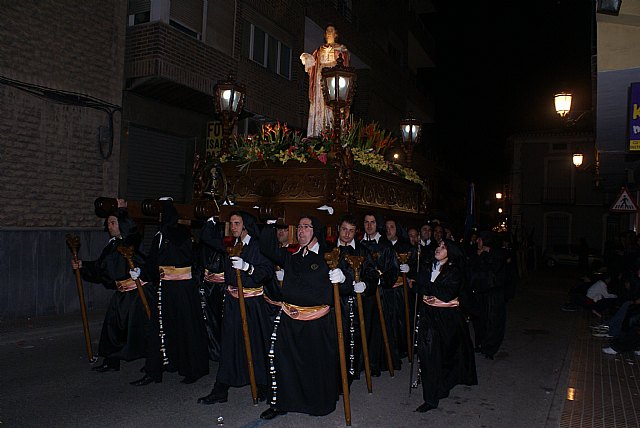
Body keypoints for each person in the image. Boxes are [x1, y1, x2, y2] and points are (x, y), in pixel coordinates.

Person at [257, 216, 351, 420]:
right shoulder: (292, 257)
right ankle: (281, 402)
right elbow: (266, 247)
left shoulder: (329, 256)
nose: (301, 231)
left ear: (315, 231)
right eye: (298, 227)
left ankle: (317, 404)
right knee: (284, 362)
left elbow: (346, 286)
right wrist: (270, 222)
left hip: (317, 321)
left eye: (306, 227)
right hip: (290, 318)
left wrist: (342, 279)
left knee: (314, 364)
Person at [198, 211, 274, 405]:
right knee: (229, 344)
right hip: (232, 302)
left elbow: (267, 271)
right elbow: (206, 238)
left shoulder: (257, 246)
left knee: (256, 344)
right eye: (231, 223)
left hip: (251, 304)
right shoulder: (230, 245)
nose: (233, 227)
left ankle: (262, 385)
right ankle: (221, 388)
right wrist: (212, 218)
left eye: (237, 223)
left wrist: (248, 268)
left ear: (246, 225)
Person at [131, 197, 209, 386]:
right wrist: (142, 272)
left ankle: (193, 368)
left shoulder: (181, 233)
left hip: (183, 289)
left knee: (186, 327)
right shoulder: (159, 236)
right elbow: (153, 261)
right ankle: (154, 369)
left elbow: (191, 256)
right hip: (165, 288)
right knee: (158, 329)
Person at [72, 198, 153, 372]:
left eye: (113, 222)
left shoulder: (130, 242)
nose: (110, 226)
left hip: (137, 294)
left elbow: (132, 231)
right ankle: (111, 360)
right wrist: (83, 265)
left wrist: (122, 210)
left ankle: (152, 363)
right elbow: (101, 267)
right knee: (112, 328)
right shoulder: (111, 246)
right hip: (121, 293)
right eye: (108, 223)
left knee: (141, 330)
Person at [414, 239, 477, 413]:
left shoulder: (454, 271)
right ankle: (430, 399)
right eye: (438, 246)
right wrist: (429, 290)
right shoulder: (427, 265)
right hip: (428, 317)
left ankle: (442, 386)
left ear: (450, 253)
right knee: (428, 355)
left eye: (443, 247)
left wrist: (430, 288)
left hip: (448, 319)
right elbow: (418, 287)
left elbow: (448, 293)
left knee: (445, 357)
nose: (438, 249)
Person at [335, 214, 378, 383]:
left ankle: (350, 373)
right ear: (339, 228)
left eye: (351, 231)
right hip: (334, 302)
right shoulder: (329, 249)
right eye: (344, 229)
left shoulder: (363, 251)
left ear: (356, 233)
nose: (347, 234)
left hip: (355, 302)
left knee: (354, 338)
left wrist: (366, 285)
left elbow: (372, 274)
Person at [360, 212, 401, 373]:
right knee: (365, 327)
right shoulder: (359, 245)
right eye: (366, 222)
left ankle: (378, 364)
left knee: (380, 329)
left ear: (378, 225)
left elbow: (393, 270)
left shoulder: (386, 246)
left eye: (372, 222)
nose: (369, 225)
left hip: (382, 294)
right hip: (364, 294)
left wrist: (380, 280)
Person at [300, 24, 350, 137]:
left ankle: (332, 131)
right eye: (327, 31)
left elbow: (344, 63)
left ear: (336, 34)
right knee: (320, 102)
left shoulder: (341, 49)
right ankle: (318, 132)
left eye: (331, 31)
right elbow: (313, 64)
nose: (329, 33)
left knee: (333, 104)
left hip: (333, 79)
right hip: (320, 79)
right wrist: (308, 59)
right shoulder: (319, 50)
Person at [468, 231, 507, 359]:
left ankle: (490, 348)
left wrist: (485, 254)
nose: (477, 242)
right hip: (479, 293)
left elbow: (495, 270)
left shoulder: (496, 253)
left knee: (492, 321)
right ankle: (480, 344)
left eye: (480, 240)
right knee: (479, 321)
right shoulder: (475, 252)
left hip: (493, 294)